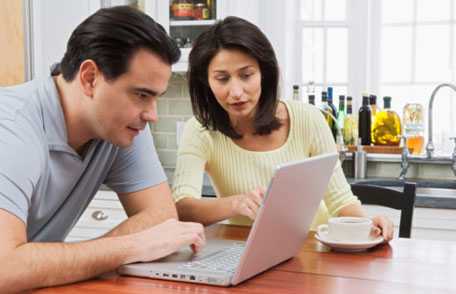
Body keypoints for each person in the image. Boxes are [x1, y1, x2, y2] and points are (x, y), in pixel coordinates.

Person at [0, 6, 205, 292]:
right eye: (141, 94)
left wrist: (103, 253)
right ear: (89, 78)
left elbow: (161, 216)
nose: (152, 114)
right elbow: (5, 267)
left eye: (155, 97)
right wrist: (130, 247)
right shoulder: (10, 127)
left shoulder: (120, 126)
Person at [172, 16, 394, 241]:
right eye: (222, 79)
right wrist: (235, 204)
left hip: (314, 252)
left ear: (264, 73)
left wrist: (367, 226)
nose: (236, 91)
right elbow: (182, 207)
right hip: (246, 254)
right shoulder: (200, 130)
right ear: (206, 82)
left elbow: (340, 200)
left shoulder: (307, 119)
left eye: (246, 75)